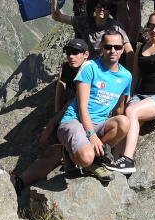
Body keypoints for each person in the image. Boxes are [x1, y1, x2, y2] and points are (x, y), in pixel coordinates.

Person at [9, 39, 90, 194]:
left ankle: (20, 183)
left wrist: (53, 123)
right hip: (74, 118)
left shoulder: (90, 71)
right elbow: (64, 86)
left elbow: (77, 100)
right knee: (54, 151)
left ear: (86, 55)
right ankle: (20, 183)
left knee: (54, 152)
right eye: (68, 53)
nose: (71, 56)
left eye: (75, 53)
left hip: (87, 121)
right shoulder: (69, 68)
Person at [105, 11, 155, 174]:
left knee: (131, 111)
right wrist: (129, 95)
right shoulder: (141, 48)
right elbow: (136, 75)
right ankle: (115, 160)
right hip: (140, 95)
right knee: (125, 120)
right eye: (152, 26)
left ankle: (128, 160)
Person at [56, 31, 132, 183]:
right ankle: (75, 154)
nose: (113, 51)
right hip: (74, 121)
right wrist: (91, 134)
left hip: (98, 125)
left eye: (117, 47)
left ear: (123, 49)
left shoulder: (126, 76)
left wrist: (115, 152)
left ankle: (95, 158)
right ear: (102, 48)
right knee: (86, 157)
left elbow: (119, 108)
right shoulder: (89, 67)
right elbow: (82, 106)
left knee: (124, 122)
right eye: (108, 46)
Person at [51, 0, 133, 61]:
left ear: (110, 11)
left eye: (106, 7)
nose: (102, 9)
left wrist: (131, 73)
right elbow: (57, 16)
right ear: (94, 7)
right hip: (88, 67)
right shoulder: (84, 22)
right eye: (99, 5)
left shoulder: (115, 26)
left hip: (106, 68)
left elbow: (129, 51)